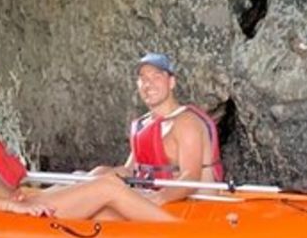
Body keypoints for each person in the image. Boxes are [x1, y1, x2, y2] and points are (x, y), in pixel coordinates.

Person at [0, 58, 173, 221]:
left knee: (98, 183)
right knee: (108, 187)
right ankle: (181, 234)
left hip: (24, 202)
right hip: (16, 214)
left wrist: (20, 202)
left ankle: (172, 225)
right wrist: (13, 207)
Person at [88, 53, 224, 204]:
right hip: (155, 202)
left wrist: (153, 200)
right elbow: (131, 170)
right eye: (143, 79)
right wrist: (95, 177)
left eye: (156, 77)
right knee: (94, 174)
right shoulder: (144, 124)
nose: (148, 84)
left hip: (194, 209)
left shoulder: (187, 123)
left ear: (171, 82)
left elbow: (190, 179)